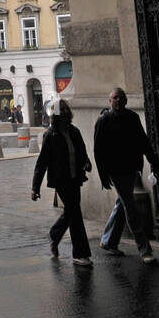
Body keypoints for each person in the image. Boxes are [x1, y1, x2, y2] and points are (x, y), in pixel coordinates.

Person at [93, 87, 157, 262]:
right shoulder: (104, 120)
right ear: (109, 101)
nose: (118, 100)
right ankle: (144, 249)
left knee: (123, 202)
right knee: (130, 206)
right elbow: (98, 151)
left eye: (121, 97)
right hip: (116, 171)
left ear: (126, 100)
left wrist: (152, 159)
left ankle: (108, 241)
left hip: (131, 168)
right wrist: (103, 176)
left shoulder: (132, 118)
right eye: (115, 98)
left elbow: (143, 141)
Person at [31, 99, 93, 265]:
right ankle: (80, 253)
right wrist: (35, 187)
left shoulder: (74, 131)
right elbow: (42, 163)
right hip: (61, 180)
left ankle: (54, 233)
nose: (65, 113)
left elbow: (81, 152)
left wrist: (86, 163)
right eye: (61, 111)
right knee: (75, 214)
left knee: (71, 212)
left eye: (66, 110)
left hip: (75, 178)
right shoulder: (50, 136)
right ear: (56, 115)